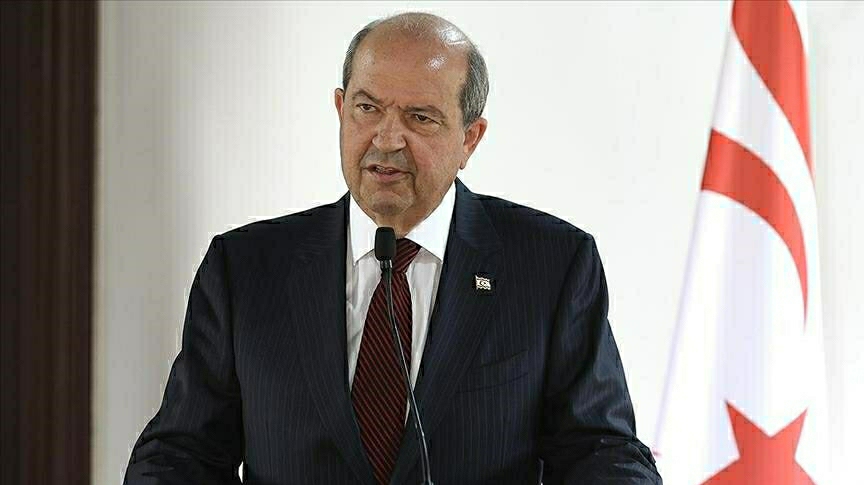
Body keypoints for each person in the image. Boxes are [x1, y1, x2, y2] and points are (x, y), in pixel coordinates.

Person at [124, 12, 660, 485]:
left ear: (469, 138)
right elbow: (182, 452)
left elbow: (599, 450)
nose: (386, 139)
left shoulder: (550, 265)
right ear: (340, 109)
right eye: (367, 108)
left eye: (420, 117)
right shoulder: (245, 268)